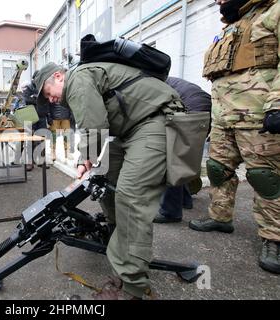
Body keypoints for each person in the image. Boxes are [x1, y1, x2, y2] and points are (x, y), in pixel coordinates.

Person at [35, 62, 182, 299]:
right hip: (129, 129)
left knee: (130, 197)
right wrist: (89, 160)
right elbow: (91, 125)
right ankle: (122, 262)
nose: (50, 99)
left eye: (47, 92)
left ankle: (132, 287)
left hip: (155, 121)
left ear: (58, 76)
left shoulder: (77, 79)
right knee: (105, 183)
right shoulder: (77, 86)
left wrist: (87, 158)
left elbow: (94, 125)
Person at [189, 0, 280, 275]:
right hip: (223, 116)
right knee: (218, 170)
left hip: (258, 116)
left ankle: (274, 238)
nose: (217, 0)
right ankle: (220, 217)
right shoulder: (233, 25)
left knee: (266, 177)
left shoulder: (274, 11)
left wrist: (277, 103)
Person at [153, 77, 211, 223]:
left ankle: (170, 212)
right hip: (207, 110)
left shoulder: (150, 83)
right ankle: (185, 200)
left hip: (192, 111)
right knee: (180, 158)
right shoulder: (164, 79)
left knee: (171, 161)